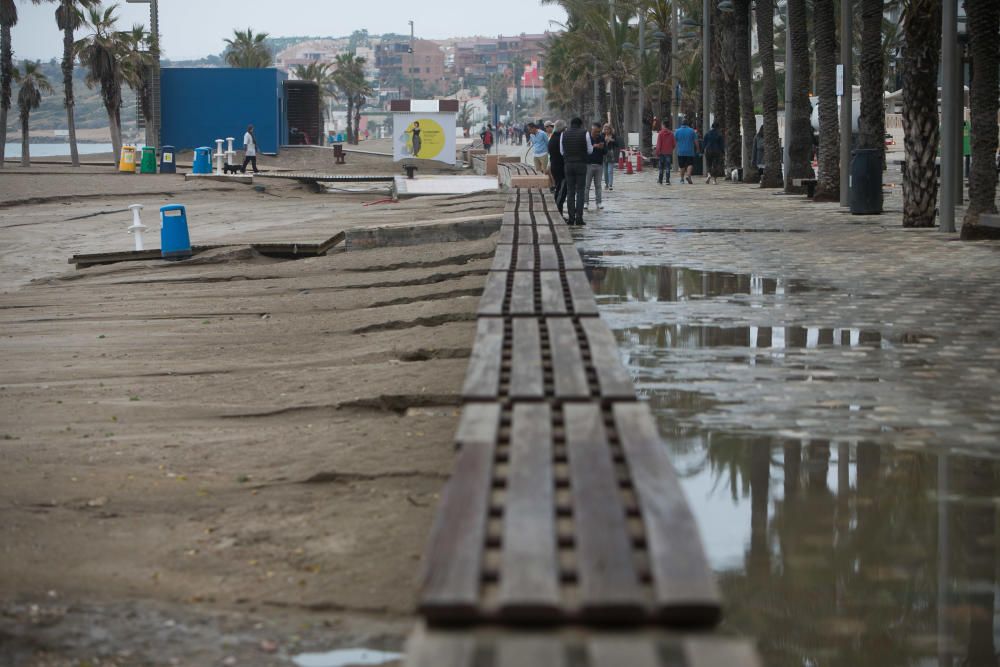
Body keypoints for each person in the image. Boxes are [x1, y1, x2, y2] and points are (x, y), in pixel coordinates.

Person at [560, 117, 593, 226]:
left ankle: (571, 218)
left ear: (571, 124)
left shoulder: (563, 134)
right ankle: (579, 218)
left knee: (570, 192)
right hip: (581, 164)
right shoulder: (585, 133)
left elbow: (561, 151)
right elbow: (590, 150)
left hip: (568, 165)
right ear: (580, 124)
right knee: (580, 191)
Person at [584, 122, 606, 210]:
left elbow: (605, 152)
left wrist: (602, 148)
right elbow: (584, 149)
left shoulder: (601, 137)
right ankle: (585, 202)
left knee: (598, 185)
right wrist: (595, 146)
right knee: (586, 185)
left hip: (599, 165)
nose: (597, 133)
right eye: (595, 131)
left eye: (598, 132)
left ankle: (599, 202)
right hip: (588, 164)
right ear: (591, 130)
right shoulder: (587, 137)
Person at [548, 120, 567, 215]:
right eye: (565, 128)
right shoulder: (560, 138)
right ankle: (558, 212)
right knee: (562, 190)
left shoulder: (553, 137)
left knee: (558, 188)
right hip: (560, 167)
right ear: (562, 128)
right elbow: (562, 153)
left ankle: (558, 211)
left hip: (554, 166)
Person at [674, 118, 698, 184]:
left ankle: (682, 179)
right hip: (690, 151)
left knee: (682, 166)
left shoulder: (677, 131)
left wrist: (674, 148)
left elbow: (674, 141)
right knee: (690, 164)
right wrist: (698, 149)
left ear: (681, 124)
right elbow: (696, 141)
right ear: (688, 124)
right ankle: (688, 176)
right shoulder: (692, 131)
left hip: (680, 152)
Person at [602, 124, 618, 191]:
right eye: (605, 129)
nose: (606, 130)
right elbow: (600, 143)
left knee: (610, 170)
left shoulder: (613, 136)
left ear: (610, 129)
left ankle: (610, 184)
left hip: (611, 153)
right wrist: (604, 141)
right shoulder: (602, 135)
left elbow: (617, 144)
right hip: (604, 154)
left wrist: (612, 140)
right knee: (605, 171)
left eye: (607, 129)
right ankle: (606, 184)